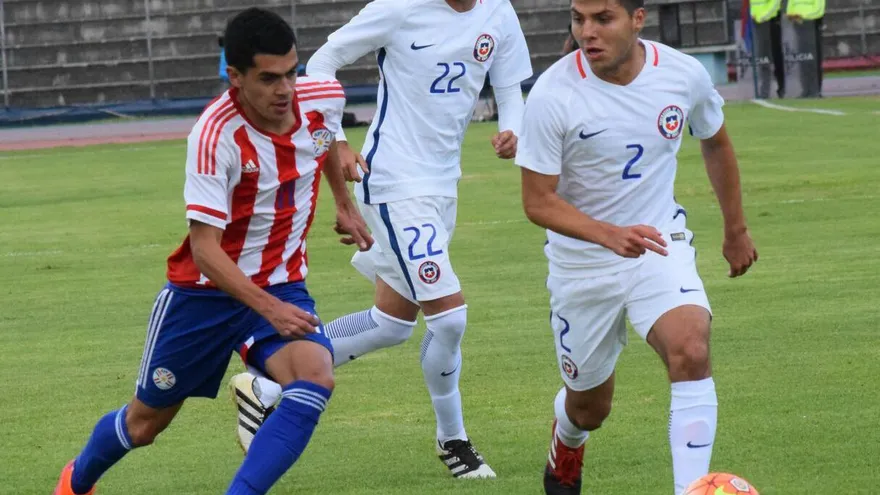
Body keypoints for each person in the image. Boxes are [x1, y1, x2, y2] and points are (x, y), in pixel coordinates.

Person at [53, 7, 372, 495]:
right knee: (144, 426)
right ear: (236, 76)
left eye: (290, 72)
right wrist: (270, 310)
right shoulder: (213, 135)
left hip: (281, 281)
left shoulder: (319, 97)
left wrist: (344, 204)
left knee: (315, 376)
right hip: (202, 294)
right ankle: (75, 482)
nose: (285, 89)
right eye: (268, 79)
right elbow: (204, 251)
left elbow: (325, 136)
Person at [227, 0, 533, 479]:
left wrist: (512, 127)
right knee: (450, 319)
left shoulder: (499, 11)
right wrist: (339, 139)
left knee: (391, 323)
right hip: (392, 180)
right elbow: (323, 63)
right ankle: (453, 442)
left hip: (441, 184)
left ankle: (264, 385)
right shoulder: (399, 8)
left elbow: (510, 86)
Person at [514, 0, 759, 493]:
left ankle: (693, 489)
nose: (588, 31)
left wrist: (735, 229)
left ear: (637, 19)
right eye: (579, 19)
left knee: (690, 348)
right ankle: (567, 438)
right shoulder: (552, 94)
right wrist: (608, 233)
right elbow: (537, 201)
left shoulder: (682, 75)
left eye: (603, 18)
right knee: (590, 406)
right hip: (581, 264)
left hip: (657, 244)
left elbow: (715, 141)